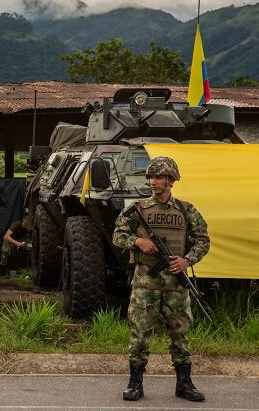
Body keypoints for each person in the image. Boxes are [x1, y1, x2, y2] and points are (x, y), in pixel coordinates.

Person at [112, 156, 209, 402]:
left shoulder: (186, 210)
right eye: (151, 177)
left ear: (171, 180)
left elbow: (203, 241)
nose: (153, 182)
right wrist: (138, 241)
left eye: (159, 177)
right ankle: (135, 384)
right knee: (140, 334)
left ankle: (184, 384)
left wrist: (186, 260)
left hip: (176, 285)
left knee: (180, 334)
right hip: (146, 283)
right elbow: (118, 235)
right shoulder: (138, 209)